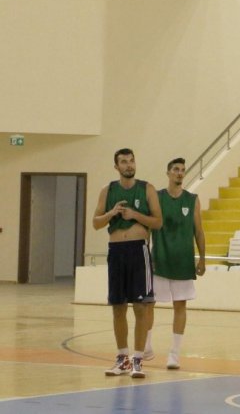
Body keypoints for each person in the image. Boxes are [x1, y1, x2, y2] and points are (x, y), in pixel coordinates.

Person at [93, 148, 163, 379]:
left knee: (141, 307)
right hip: (116, 251)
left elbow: (158, 222)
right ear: (116, 167)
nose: (129, 165)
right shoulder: (107, 191)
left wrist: (134, 215)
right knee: (118, 306)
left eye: (131, 160)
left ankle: (138, 359)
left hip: (138, 251)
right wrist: (111, 213)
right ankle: (122, 358)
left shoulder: (147, 189)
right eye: (124, 162)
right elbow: (96, 223)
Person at [146, 157, 206, 370]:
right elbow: (147, 227)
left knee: (180, 305)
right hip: (160, 259)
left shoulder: (192, 199)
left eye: (182, 170)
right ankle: (146, 347)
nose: (180, 173)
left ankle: (174, 354)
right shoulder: (157, 197)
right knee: (148, 304)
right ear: (168, 173)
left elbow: (198, 230)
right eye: (176, 169)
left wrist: (202, 258)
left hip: (183, 260)